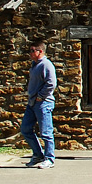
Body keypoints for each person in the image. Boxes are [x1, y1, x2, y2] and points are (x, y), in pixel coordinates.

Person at [21, 40, 57, 168]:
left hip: (43, 103)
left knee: (46, 132)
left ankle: (49, 158)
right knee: (25, 129)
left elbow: (51, 83)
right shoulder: (34, 65)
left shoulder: (46, 65)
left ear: (40, 51)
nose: (30, 53)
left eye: (32, 50)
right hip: (32, 103)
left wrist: (41, 97)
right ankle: (38, 155)